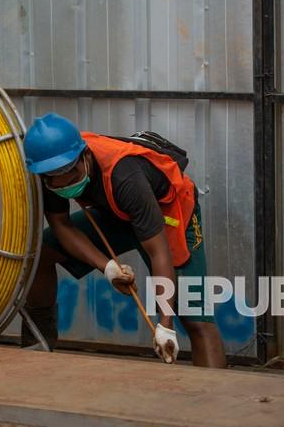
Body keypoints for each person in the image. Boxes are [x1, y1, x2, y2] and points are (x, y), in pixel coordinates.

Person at [20, 112, 226, 368]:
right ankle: (37, 348)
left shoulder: (125, 176)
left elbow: (159, 253)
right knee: (42, 252)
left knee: (195, 317)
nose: (64, 185)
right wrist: (108, 268)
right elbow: (61, 225)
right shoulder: (48, 170)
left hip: (170, 213)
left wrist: (165, 325)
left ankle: (213, 396)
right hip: (117, 211)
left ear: (84, 156)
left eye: (71, 177)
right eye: (54, 181)